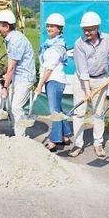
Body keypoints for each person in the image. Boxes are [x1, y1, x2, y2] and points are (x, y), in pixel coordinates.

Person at [69, 11, 109, 158]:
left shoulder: (107, 39)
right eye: (84, 29)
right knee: (79, 113)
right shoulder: (79, 44)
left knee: (99, 113)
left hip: (101, 79)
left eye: (89, 29)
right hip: (81, 80)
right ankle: (78, 144)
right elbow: (82, 70)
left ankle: (98, 144)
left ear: (97, 28)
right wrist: (86, 89)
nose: (86, 32)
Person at [0, 10, 36, 137]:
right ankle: (16, 131)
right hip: (18, 76)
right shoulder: (12, 37)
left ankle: (20, 138)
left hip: (25, 78)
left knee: (16, 107)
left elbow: (12, 66)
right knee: (10, 105)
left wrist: (5, 87)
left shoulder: (14, 41)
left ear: (7, 26)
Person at [36, 13, 71, 152]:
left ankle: (54, 140)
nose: (49, 28)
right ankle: (65, 135)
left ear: (59, 29)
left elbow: (49, 68)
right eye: (48, 26)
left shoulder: (58, 46)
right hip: (52, 80)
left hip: (54, 80)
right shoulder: (50, 43)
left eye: (52, 26)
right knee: (58, 109)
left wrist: (39, 85)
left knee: (54, 111)